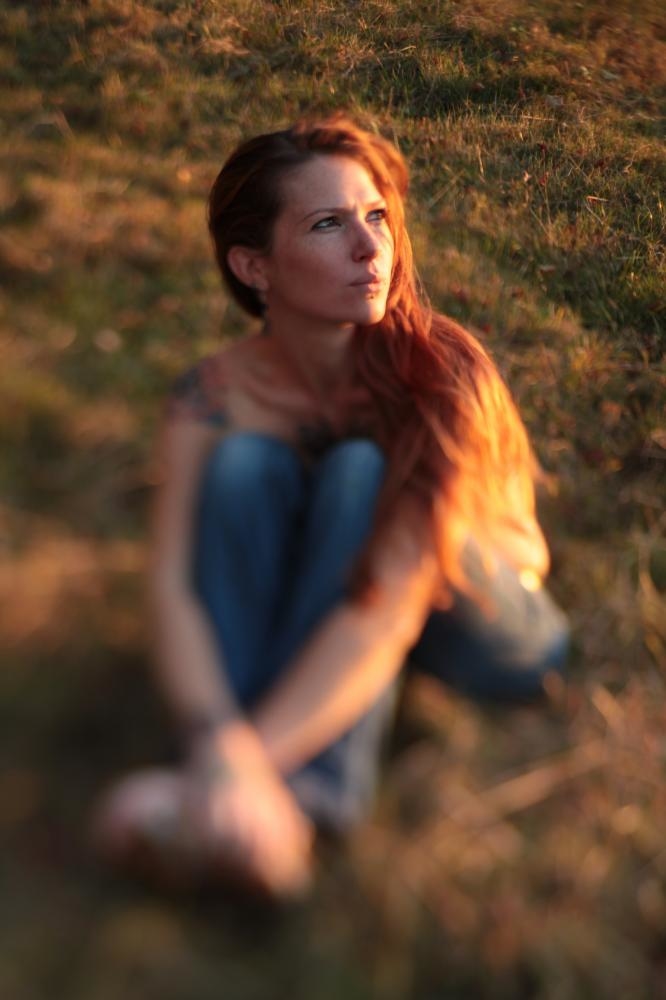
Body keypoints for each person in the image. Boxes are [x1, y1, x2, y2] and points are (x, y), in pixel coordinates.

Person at [92, 113, 569, 898]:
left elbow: (388, 609)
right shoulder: (213, 399)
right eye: (327, 224)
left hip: (490, 622)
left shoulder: (436, 373)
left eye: (375, 216)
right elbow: (174, 586)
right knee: (244, 465)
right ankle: (236, 783)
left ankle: (293, 802)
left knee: (356, 471)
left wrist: (237, 765)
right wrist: (214, 740)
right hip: (349, 596)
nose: (371, 247)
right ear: (254, 266)